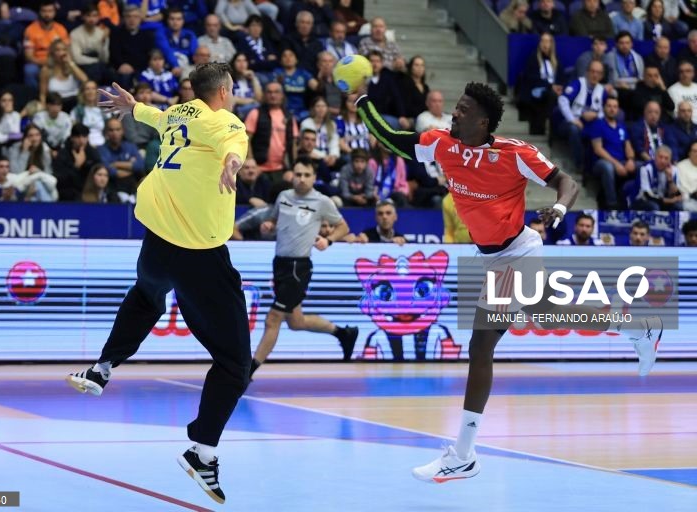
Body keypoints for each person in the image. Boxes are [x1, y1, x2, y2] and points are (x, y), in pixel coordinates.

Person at [354, 80, 663, 483]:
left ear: (483, 121)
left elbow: (567, 181)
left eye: (463, 109)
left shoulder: (514, 153)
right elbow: (394, 139)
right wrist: (363, 103)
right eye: (456, 106)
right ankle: (636, 325)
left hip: (517, 249)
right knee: (545, 315)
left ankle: (463, 454)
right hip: (491, 257)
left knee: (482, 344)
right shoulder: (440, 143)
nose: (454, 113)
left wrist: (557, 207)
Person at [66, 64, 251, 505]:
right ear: (224, 91)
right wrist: (232, 161)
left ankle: (102, 367)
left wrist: (133, 107)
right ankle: (202, 452)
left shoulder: (178, 114)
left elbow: (153, 116)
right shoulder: (222, 119)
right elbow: (233, 140)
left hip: (156, 242)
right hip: (197, 254)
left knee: (146, 297)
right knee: (235, 364)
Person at [250, 157, 359, 376]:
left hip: (298, 268)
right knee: (296, 322)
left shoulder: (322, 202)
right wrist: (268, 226)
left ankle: (247, 371)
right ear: (292, 175)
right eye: (298, 174)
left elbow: (343, 226)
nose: (301, 179)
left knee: (273, 318)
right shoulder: (284, 196)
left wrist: (328, 241)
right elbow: (273, 222)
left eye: (306, 175)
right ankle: (343, 333)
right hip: (279, 265)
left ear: (314, 178)